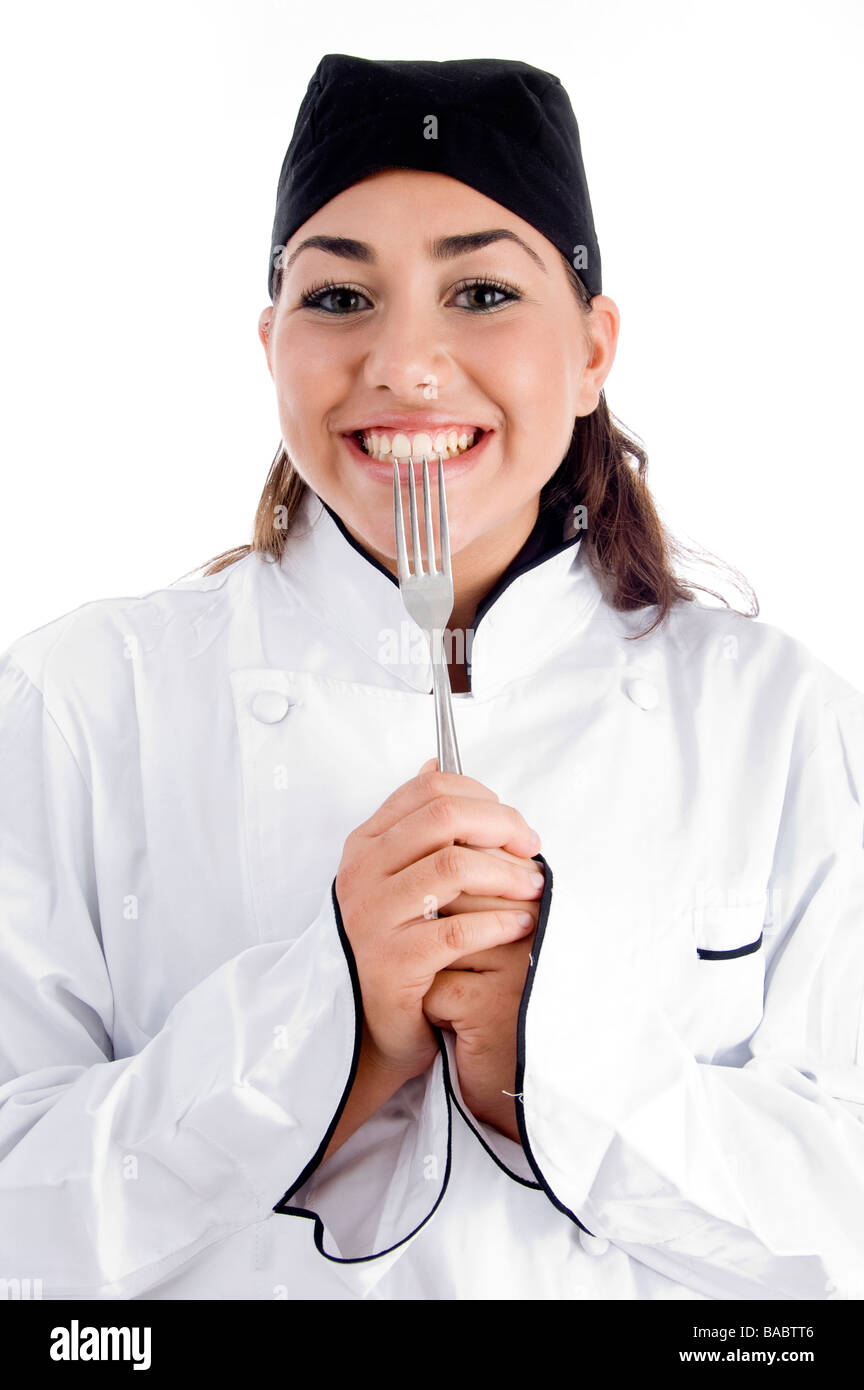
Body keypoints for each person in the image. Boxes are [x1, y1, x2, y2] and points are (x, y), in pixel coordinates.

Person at [1, 53, 863, 1303]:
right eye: (340, 299)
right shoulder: (78, 701)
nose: (405, 362)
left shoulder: (777, 720)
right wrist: (328, 1026)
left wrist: (544, 1062)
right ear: (271, 346)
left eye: (480, 289)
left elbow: (840, 1234)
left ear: (591, 350)